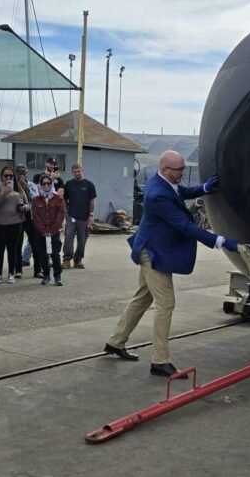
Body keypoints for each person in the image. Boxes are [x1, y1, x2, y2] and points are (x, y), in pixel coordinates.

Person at [104, 150, 239, 377]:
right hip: (153, 253)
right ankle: (160, 361)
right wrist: (220, 241)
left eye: (183, 169)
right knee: (165, 304)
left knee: (142, 298)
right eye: (179, 170)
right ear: (166, 169)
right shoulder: (157, 193)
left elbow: (180, 192)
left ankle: (116, 341)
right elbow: (184, 226)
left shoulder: (163, 182)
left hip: (152, 247)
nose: (182, 174)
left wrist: (204, 188)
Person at [0, 165, 27, 283]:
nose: (8, 178)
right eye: (6, 175)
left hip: (14, 223)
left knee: (12, 249)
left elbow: (24, 204)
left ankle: (11, 273)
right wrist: (4, 193)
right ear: (2, 176)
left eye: (11, 176)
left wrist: (24, 207)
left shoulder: (17, 190)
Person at [31, 174, 66, 286]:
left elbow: (61, 215)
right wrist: (43, 230)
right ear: (40, 185)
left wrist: (53, 229)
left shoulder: (58, 199)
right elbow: (35, 216)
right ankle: (46, 275)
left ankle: (57, 276)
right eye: (43, 183)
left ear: (51, 184)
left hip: (54, 232)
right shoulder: (36, 200)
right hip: (41, 232)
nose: (46, 185)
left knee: (55, 254)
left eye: (48, 183)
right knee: (43, 255)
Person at [62, 163, 96, 269]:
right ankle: (67, 259)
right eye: (75, 171)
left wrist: (91, 215)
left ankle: (78, 259)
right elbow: (64, 199)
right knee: (68, 238)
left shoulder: (89, 185)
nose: (77, 173)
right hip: (71, 216)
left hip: (84, 217)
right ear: (72, 173)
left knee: (82, 240)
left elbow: (92, 201)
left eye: (79, 171)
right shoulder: (68, 184)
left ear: (82, 171)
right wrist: (65, 211)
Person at [15, 165, 39, 277]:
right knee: (17, 244)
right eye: (19, 173)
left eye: (24, 173)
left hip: (31, 217)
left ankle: (38, 270)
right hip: (17, 217)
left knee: (35, 243)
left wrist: (27, 190)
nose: (22, 175)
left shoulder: (32, 185)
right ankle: (18, 270)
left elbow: (36, 200)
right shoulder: (12, 186)